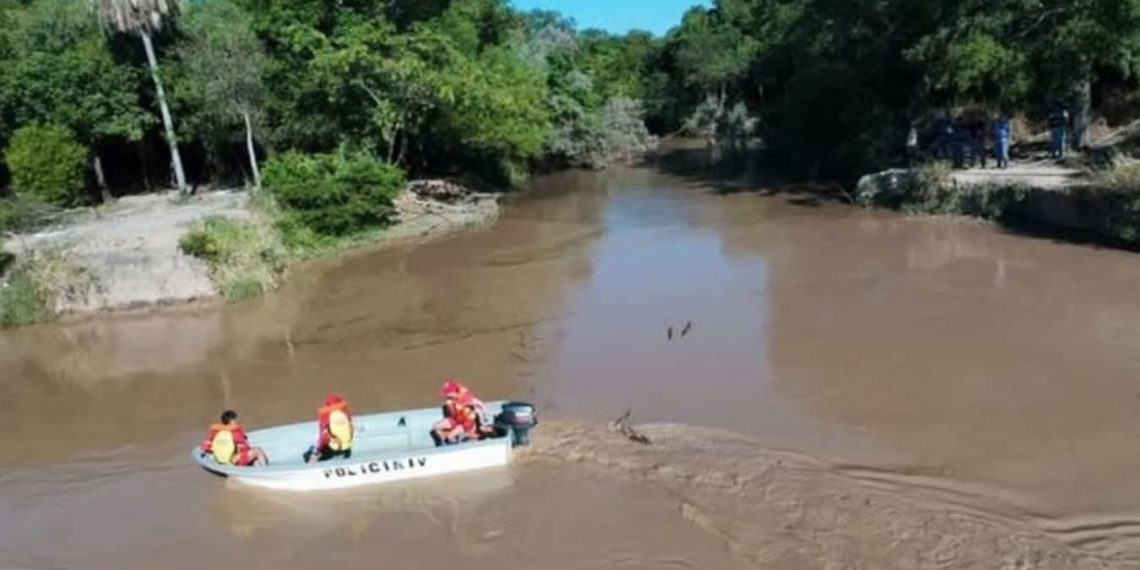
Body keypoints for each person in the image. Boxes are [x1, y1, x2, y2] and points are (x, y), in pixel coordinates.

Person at [431, 380, 493, 445]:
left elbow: (481, 405)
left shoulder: (467, 398)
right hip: (455, 419)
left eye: (447, 393)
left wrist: (485, 419)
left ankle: (453, 441)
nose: (446, 396)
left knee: (450, 436)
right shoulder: (449, 401)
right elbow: (450, 414)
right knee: (435, 426)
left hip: (466, 423)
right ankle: (445, 440)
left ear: (454, 392)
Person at [201, 410, 268, 467]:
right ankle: (265, 471)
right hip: (233, 461)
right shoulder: (235, 433)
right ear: (232, 421)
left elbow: (206, 446)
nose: (237, 422)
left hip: (220, 460)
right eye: (235, 420)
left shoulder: (216, 432)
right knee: (257, 450)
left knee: (251, 451)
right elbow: (245, 447)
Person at [306, 393, 354, 464]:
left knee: (308, 458)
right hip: (347, 450)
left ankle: (311, 458)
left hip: (332, 449)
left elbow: (324, 436)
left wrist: (319, 449)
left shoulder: (327, 417)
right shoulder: (346, 415)